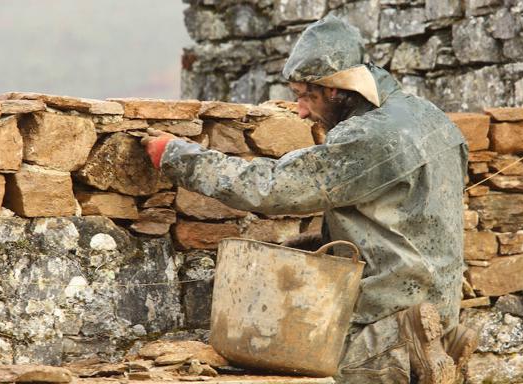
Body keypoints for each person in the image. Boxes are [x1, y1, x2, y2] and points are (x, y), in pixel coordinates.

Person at [142, 15, 476, 384]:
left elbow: (271, 186)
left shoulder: (368, 137)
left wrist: (175, 155)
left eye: (306, 95)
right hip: (440, 308)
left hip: (389, 317)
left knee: (285, 360)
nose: (300, 110)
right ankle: (435, 346)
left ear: (335, 89)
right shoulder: (431, 117)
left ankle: (402, 349)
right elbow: (403, 217)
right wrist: (321, 242)